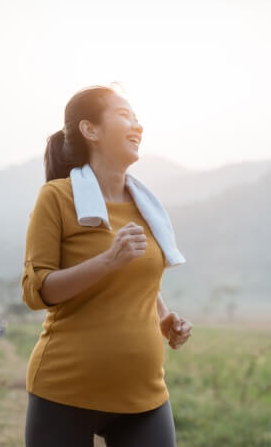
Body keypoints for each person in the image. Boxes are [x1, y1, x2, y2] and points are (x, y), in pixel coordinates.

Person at [22, 84, 193, 446]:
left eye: (137, 118)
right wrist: (107, 261)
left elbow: (140, 278)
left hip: (144, 396)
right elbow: (36, 291)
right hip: (64, 390)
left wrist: (164, 317)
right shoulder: (57, 197)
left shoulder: (146, 205)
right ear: (91, 130)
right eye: (124, 115)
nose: (137, 126)